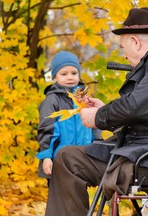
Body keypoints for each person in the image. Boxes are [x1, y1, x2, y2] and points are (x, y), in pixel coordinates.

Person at [44, 7, 148, 216]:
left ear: (135, 41)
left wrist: (99, 117)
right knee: (67, 156)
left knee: (69, 158)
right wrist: (104, 110)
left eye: (123, 47)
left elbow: (137, 105)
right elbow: (144, 107)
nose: (123, 55)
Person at [36, 51, 100, 185]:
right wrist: (46, 157)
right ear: (55, 77)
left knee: (79, 198)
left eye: (74, 73)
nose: (70, 77)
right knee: (61, 200)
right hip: (59, 161)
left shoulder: (85, 100)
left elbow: (95, 126)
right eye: (64, 74)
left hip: (83, 160)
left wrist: (98, 149)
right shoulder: (52, 100)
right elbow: (46, 129)